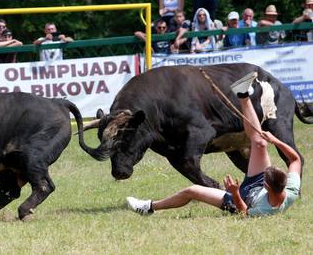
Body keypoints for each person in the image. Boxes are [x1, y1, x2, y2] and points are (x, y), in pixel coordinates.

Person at [127, 71, 302, 217]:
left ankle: (149, 207)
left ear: (268, 185)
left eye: (268, 175)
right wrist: (274, 140)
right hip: (257, 185)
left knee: (192, 190)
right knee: (260, 143)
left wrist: (234, 193)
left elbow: (244, 213)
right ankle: (243, 93)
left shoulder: (264, 210)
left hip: (240, 199)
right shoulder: (292, 191)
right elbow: (295, 160)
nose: (268, 169)